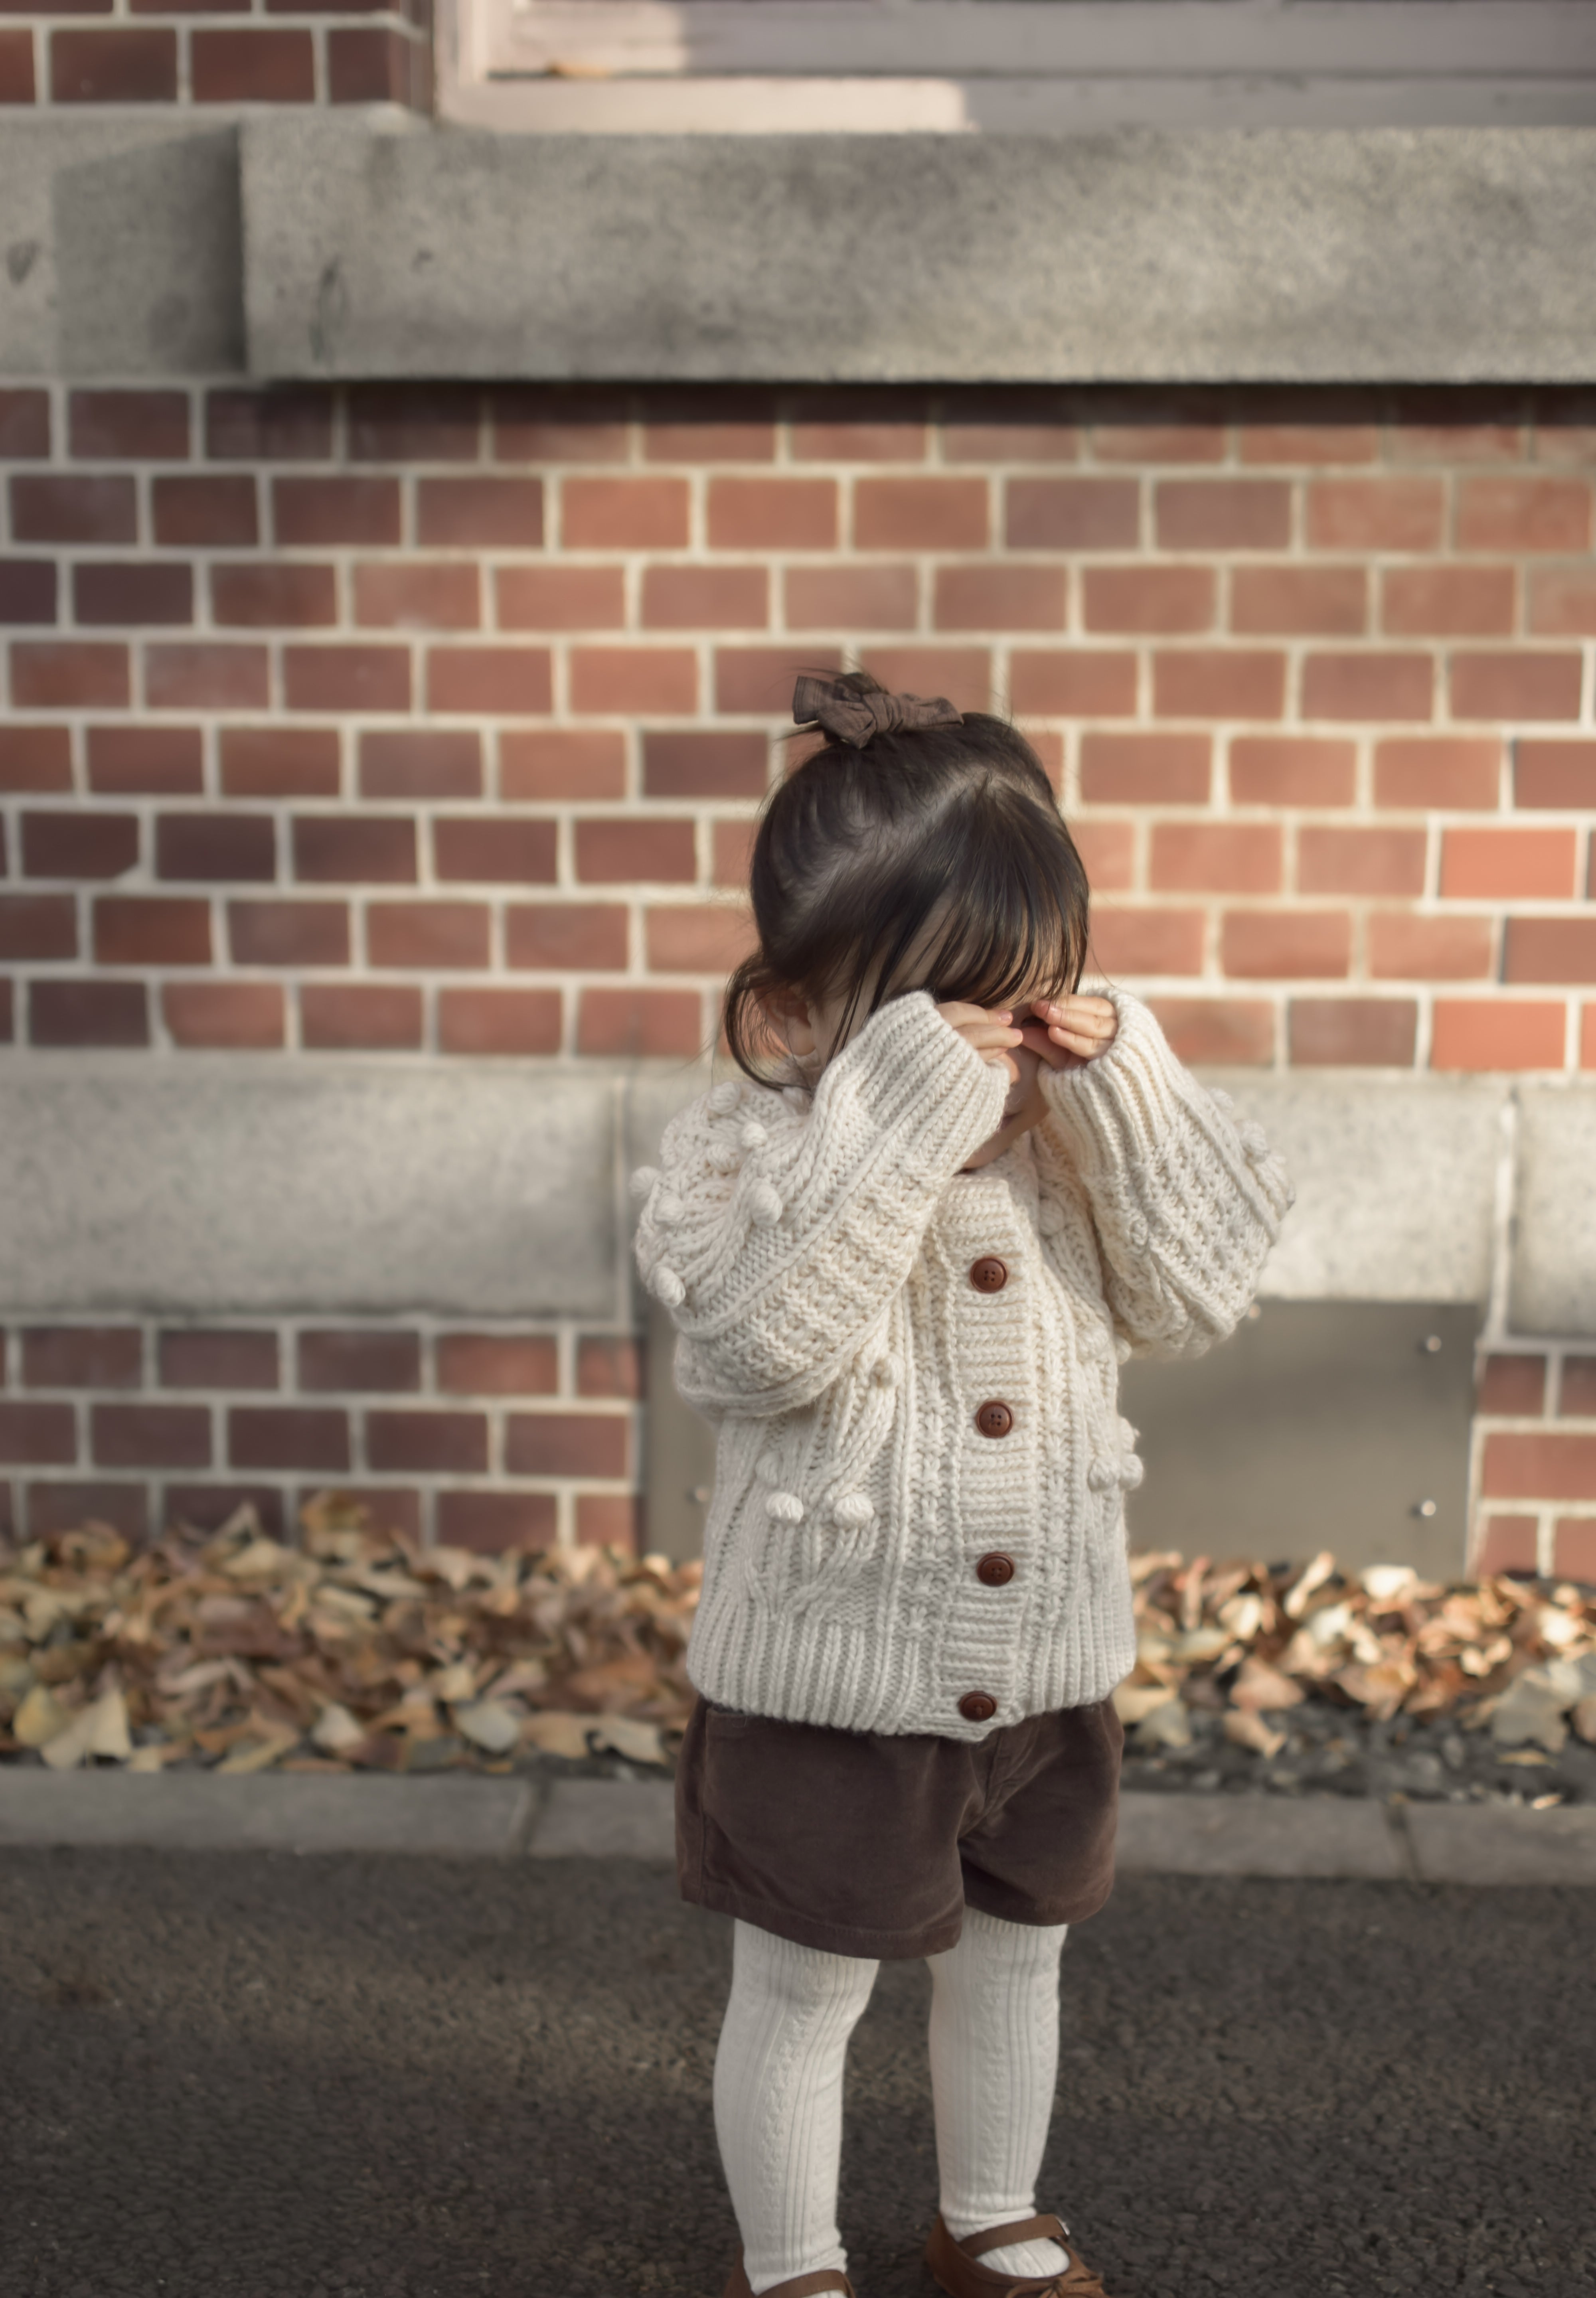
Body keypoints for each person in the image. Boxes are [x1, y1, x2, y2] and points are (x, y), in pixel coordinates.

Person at [632, 672, 1293, 2298]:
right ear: (793, 1015)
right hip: (831, 1688)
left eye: (1037, 998)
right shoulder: (748, 1155)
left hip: (1044, 1673)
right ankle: (790, 2260)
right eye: (948, 1022)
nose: (998, 1059)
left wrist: (1124, 1078)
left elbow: (1203, 1291)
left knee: (1018, 1957)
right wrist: (893, 1125)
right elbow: (754, 1352)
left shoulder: (1070, 1145)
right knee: (806, 1994)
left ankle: (988, 2214)